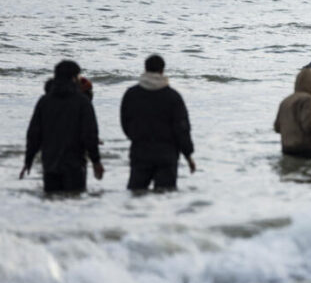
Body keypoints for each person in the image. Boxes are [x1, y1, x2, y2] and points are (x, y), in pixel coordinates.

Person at [21, 60, 104, 192]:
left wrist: (28, 160)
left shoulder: (44, 101)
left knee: (51, 202)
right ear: (74, 78)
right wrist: (96, 161)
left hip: (50, 164)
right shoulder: (82, 102)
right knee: (74, 202)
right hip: (75, 164)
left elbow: (34, 134)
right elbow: (89, 134)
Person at [120, 55, 195, 191]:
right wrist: (188, 155)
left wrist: (136, 138)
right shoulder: (173, 96)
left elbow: (125, 123)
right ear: (162, 71)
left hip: (140, 151)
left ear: (145, 69)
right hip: (167, 154)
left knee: (136, 194)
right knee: (165, 196)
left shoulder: (132, 94)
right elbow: (182, 128)